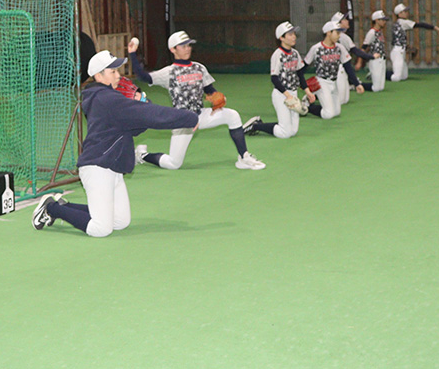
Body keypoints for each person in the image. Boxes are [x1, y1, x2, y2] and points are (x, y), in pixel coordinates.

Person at [31, 50, 199, 238]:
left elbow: (134, 127)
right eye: (112, 72)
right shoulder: (107, 100)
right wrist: (188, 118)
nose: (118, 75)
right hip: (97, 168)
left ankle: (65, 206)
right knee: (101, 229)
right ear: (98, 76)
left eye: (117, 71)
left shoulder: (104, 98)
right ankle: (52, 208)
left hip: (111, 167)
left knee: (120, 222)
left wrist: (142, 104)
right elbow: (153, 116)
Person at [128, 31, 265, 170]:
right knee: (173, 164)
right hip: (182, 120)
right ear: (173, 49)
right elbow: (143, 77)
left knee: (233, 115)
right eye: (183, 46)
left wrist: (217, 97)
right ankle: (142, 155)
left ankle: (244, 157)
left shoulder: (199, 67)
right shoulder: (169, 72)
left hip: (201, 114)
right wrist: (133, 54)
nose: (187, 49)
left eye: (188, 45)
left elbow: (209, 89)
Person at [243, 21, 314, 139]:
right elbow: (274, 79)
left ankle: (265, 124)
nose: (294, 37)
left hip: (293, 94)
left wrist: (308, 92)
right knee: (285, 134)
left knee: (293, 131)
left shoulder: (295, 53)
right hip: (281, 95)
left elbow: (300, 75)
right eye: (290, 34)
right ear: (281, 37)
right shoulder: (278, 54)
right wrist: (287, 95)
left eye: (294, 34)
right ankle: (256, 126)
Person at [303, 21, 365, 119]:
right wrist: (299, 81)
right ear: (328, 33)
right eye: (337, 33)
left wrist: (357, 84)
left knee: (336, 112)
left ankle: (309, 104)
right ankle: (307, 107)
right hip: (321, 82)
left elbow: (348, 67)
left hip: (334, 82)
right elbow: (304, 66)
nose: (339, 36)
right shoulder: (316, 48)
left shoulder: (340, 48)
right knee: (328, 114)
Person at [330, 12, 379, 104]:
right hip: (335, 69)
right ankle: (315, 96)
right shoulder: (342, 37)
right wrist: (371, 56)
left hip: (342, 68)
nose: (347, 21)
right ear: (338, 23)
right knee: (339, 100)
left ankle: (351, 84)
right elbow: (356, 51)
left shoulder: (343, 36)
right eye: (344, 20)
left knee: (344, 100)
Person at [390, 3, 439, 82]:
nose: (407, 13)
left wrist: (406, 46)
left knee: (404, 76)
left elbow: (396, 40)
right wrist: (435, 28)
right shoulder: (403, 22)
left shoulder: (398, 23)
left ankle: (386, 74)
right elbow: (420, 25)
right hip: (398, 52)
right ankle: (383, 75)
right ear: (399, 14)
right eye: (404, 11)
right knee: (396, 78)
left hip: (399, 51)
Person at [361, 10, 389, 92]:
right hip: (375, 60)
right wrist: (361, 60)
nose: (384, 22)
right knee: (376, 88)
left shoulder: (380, 32)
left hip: (382, 59)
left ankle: (371, 76)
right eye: (382, 20)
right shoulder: (372, 32)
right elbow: (364, 46)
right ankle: (358, 84)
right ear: (376, 20)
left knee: (381, 87)